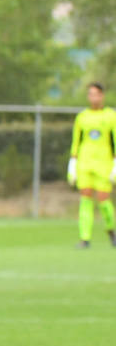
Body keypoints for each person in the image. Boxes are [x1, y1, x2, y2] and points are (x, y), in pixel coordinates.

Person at [68, 82, 116, 249]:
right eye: (90, 94)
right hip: (84, 163)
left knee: (104, 201)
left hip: (104, 164)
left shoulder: (111, 116)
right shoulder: (82, 117)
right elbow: (76, 141)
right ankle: (85, 238)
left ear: (102, 96)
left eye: (96, 94)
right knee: (85, 200)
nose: (93, 97)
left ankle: (111, 232)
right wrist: (72, 163)